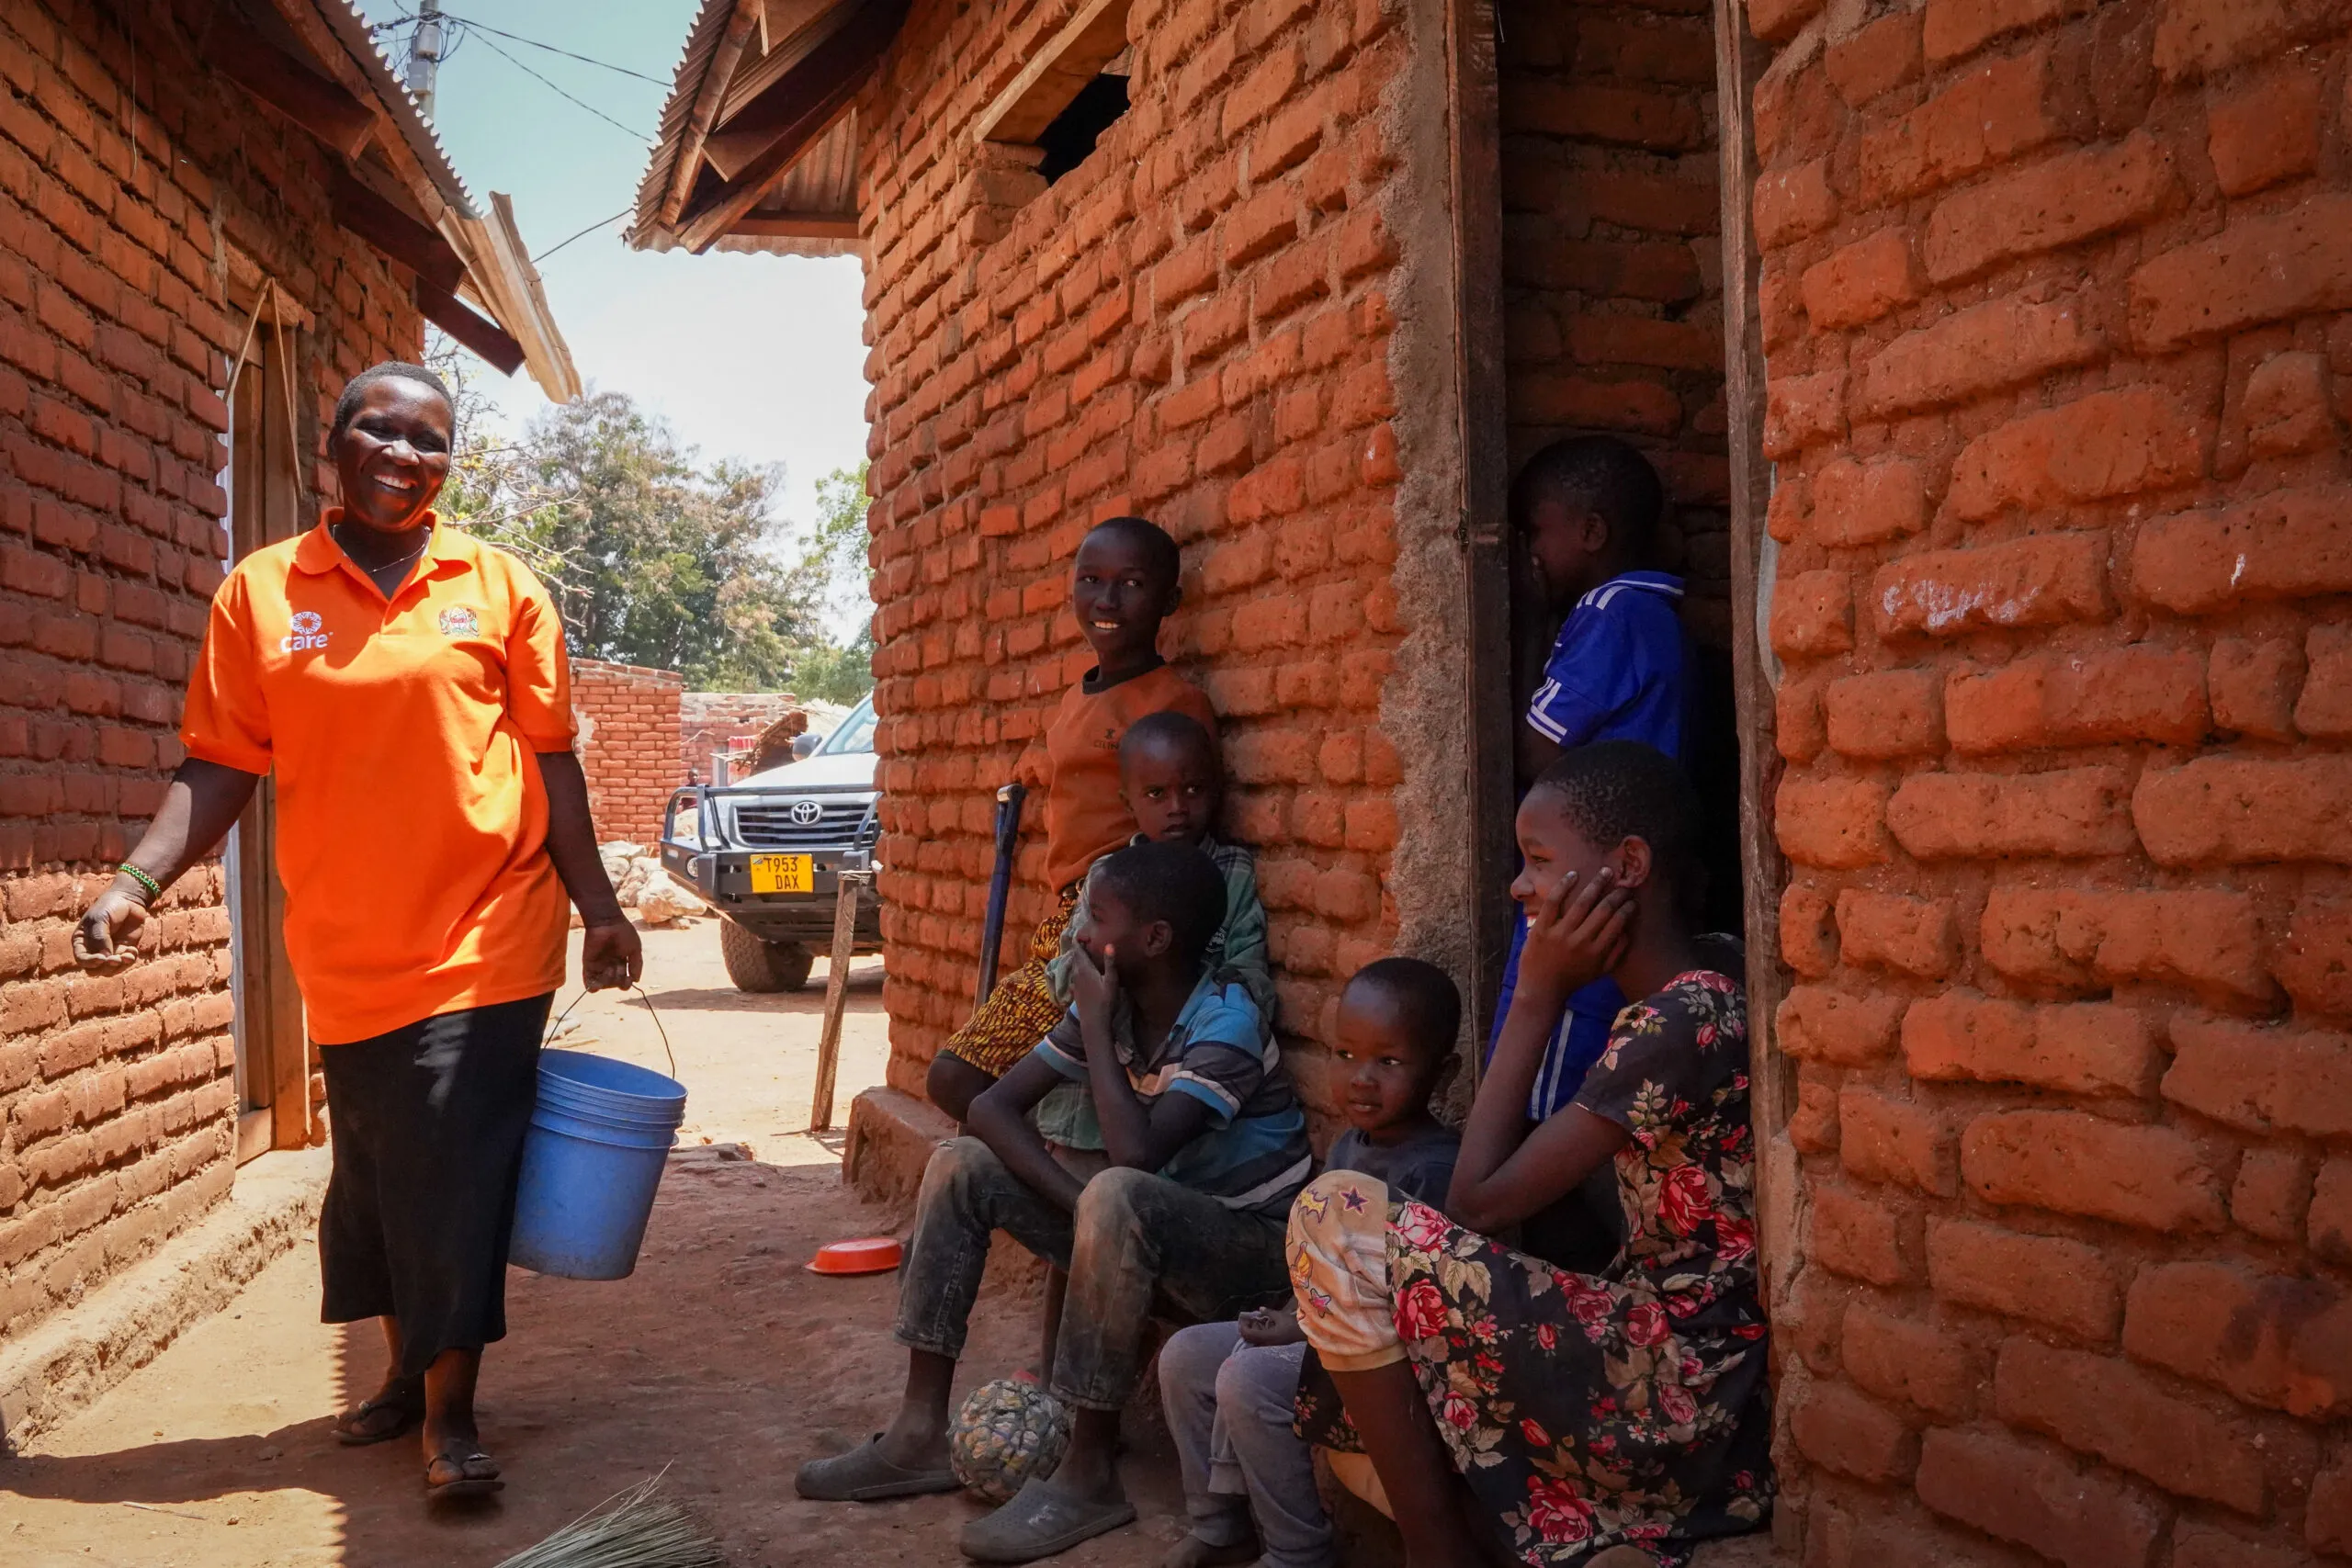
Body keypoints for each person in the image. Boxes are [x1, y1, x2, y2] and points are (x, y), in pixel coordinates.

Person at [71, 363, 641, 1500]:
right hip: (343, 945)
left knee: (454, 1166)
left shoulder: (501, 586)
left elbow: (551, 761)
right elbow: (222, 762)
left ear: (449, 463)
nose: (402, 455)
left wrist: (600, 906)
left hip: (489, 931)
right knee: (376, 1171)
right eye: (378, 431)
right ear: (329, 445)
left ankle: (452, 1420)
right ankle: (397, 1378)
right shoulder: (265, 594)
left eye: (428, 441)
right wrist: (137, 880)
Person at [1285, 743, 1772, 1568]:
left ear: (1628, 867)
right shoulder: (1709, 972)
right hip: (1686, 1369)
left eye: (1539, 861)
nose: (1519, 885)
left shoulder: (1677, 1023)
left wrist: (1538, 992)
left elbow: (1477, 1200)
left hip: (1685, 1392)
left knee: (1332, 1216)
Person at [797, 840, 1310, 1565]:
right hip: (1152, 1224)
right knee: (963, 1164)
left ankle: (1089, 1469)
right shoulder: (1115, 1000)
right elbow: (989, 1106)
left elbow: (1136, 1157)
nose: (1077, 934)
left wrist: (1097, 1033)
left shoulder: (1226, 1018)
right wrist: (1086, 1210)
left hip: (1251, 1260)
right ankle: (917, 1432)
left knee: (1119, 1188)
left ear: (1154, 939)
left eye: (1095, 917)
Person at [1158, 958, 1463, 1568]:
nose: (1362, 1079)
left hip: (1385, 1363)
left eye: (1390, 1061)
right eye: (1345, 1055)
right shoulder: (1351, 1143)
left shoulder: (1437, 1169)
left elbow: (1403, 1299)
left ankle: (1298, 1550)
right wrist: (1290, 1312)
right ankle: (1220, 1525)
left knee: (1249, 1379)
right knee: (1186, 1357)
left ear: (1444, 1072)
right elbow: (1322, 1262)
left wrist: (1298, 1326)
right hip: (1321, 1332)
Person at [926, 516, 1219, 1124]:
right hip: (1068, 915)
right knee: (1012, 1086)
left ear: (1170, 601)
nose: (1106, 600)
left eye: (1131, 584)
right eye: (1090, 580)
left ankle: (1045, 1198)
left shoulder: (1171, 703)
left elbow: (1185, 822)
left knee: (960, 1076)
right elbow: (1071, 763)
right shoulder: (1076, 696)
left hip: (1114, 913)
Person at [1497, 436, 1692, 1129]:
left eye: (1536, 532)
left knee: (1547, 1097)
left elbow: (1533, 748)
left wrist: (1520, 615)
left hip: (1587, 884)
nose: (1530, 553)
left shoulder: (1615, 612)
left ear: (1591, 532)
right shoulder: (1638, 614)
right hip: (1610, 871)